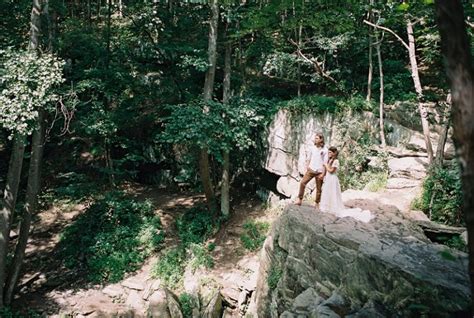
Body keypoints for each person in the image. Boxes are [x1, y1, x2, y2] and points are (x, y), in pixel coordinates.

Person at [319, 147, 373, 223]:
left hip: (332, 179)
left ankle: (333, 208)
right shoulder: (329, 160)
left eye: (330, 152)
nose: (329, 154)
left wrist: (326, 165)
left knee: (333, 193)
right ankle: (327, 207)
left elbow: (331, 171)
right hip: (328, 179)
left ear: (334, 153)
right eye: (328, 152)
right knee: (328, 192)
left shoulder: (336, 161)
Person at [295, 132, 328, 208]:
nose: (315, 140)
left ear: (321, 139)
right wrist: (307, 167)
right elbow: (308, 158)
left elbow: (325, 163)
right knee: (302, 183)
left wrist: (323, 174)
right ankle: (299, 199)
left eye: (316, 138)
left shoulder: (325, 150)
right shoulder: (312, 148)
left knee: (319, 189)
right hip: (311, 169)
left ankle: (317, 203)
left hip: (319, 171)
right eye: (315, 138)